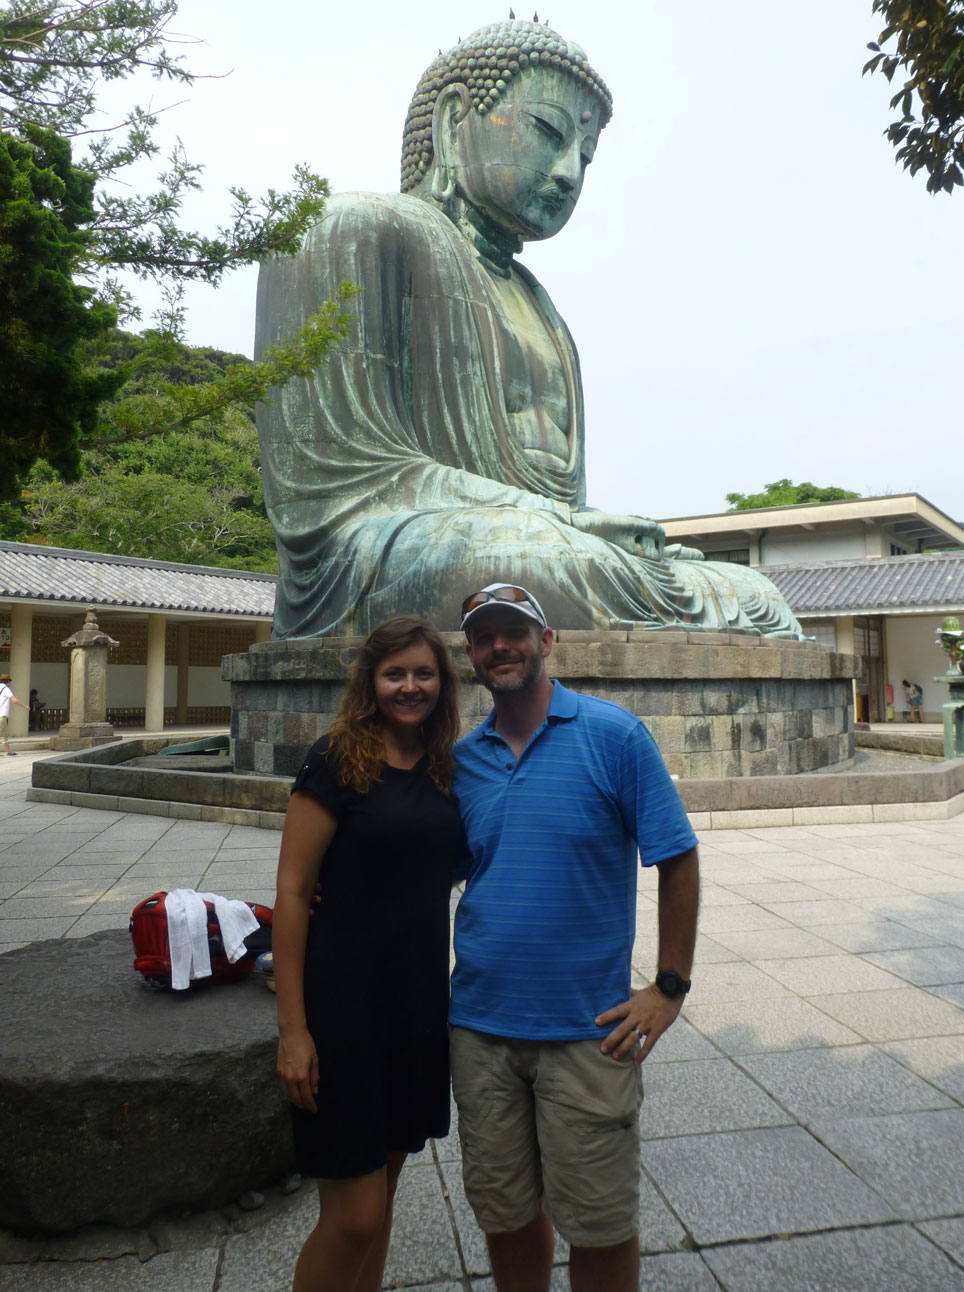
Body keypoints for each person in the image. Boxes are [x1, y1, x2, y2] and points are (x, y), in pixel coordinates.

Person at [255, 18, 802, 641]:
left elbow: (564, 506)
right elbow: (328, 491)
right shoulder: (350, 230)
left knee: (749, 593)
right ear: (455, 118)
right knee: (544, 564)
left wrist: (569, 522)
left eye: (586, 157)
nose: (569, 173)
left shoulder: (545, 310)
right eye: (548, 132)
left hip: (535, 539)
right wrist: (547, 519)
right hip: (387, 550)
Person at [450, 582, 701, 1292]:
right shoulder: (464, 761)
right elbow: (419, 862)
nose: (501, 646)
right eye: (485, 636)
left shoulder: (612, 735)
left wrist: (669, 987)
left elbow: (677, 854)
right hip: (480, 1028)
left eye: (515, 631)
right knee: (504, 1212)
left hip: (587, 1031)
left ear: (546, 641)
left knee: (599, 1224)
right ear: (471, 655)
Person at [272, 616, 465, 1292]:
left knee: (381, 1196)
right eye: (395, 674)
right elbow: (294, 892)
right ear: (371, 681)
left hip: (413, 1006)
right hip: (343, 1008)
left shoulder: (447, 767)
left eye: (424, 673)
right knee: (352, 1216)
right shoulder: (335, 759)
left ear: (442, 683)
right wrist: (293, 1031)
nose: (410, 686)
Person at [0, 675, 29, 755]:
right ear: (8, 681)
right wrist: (25, 706)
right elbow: (14, 700)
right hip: (1, 714)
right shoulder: (5, 689)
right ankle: (9, 752)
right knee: (3, 735)